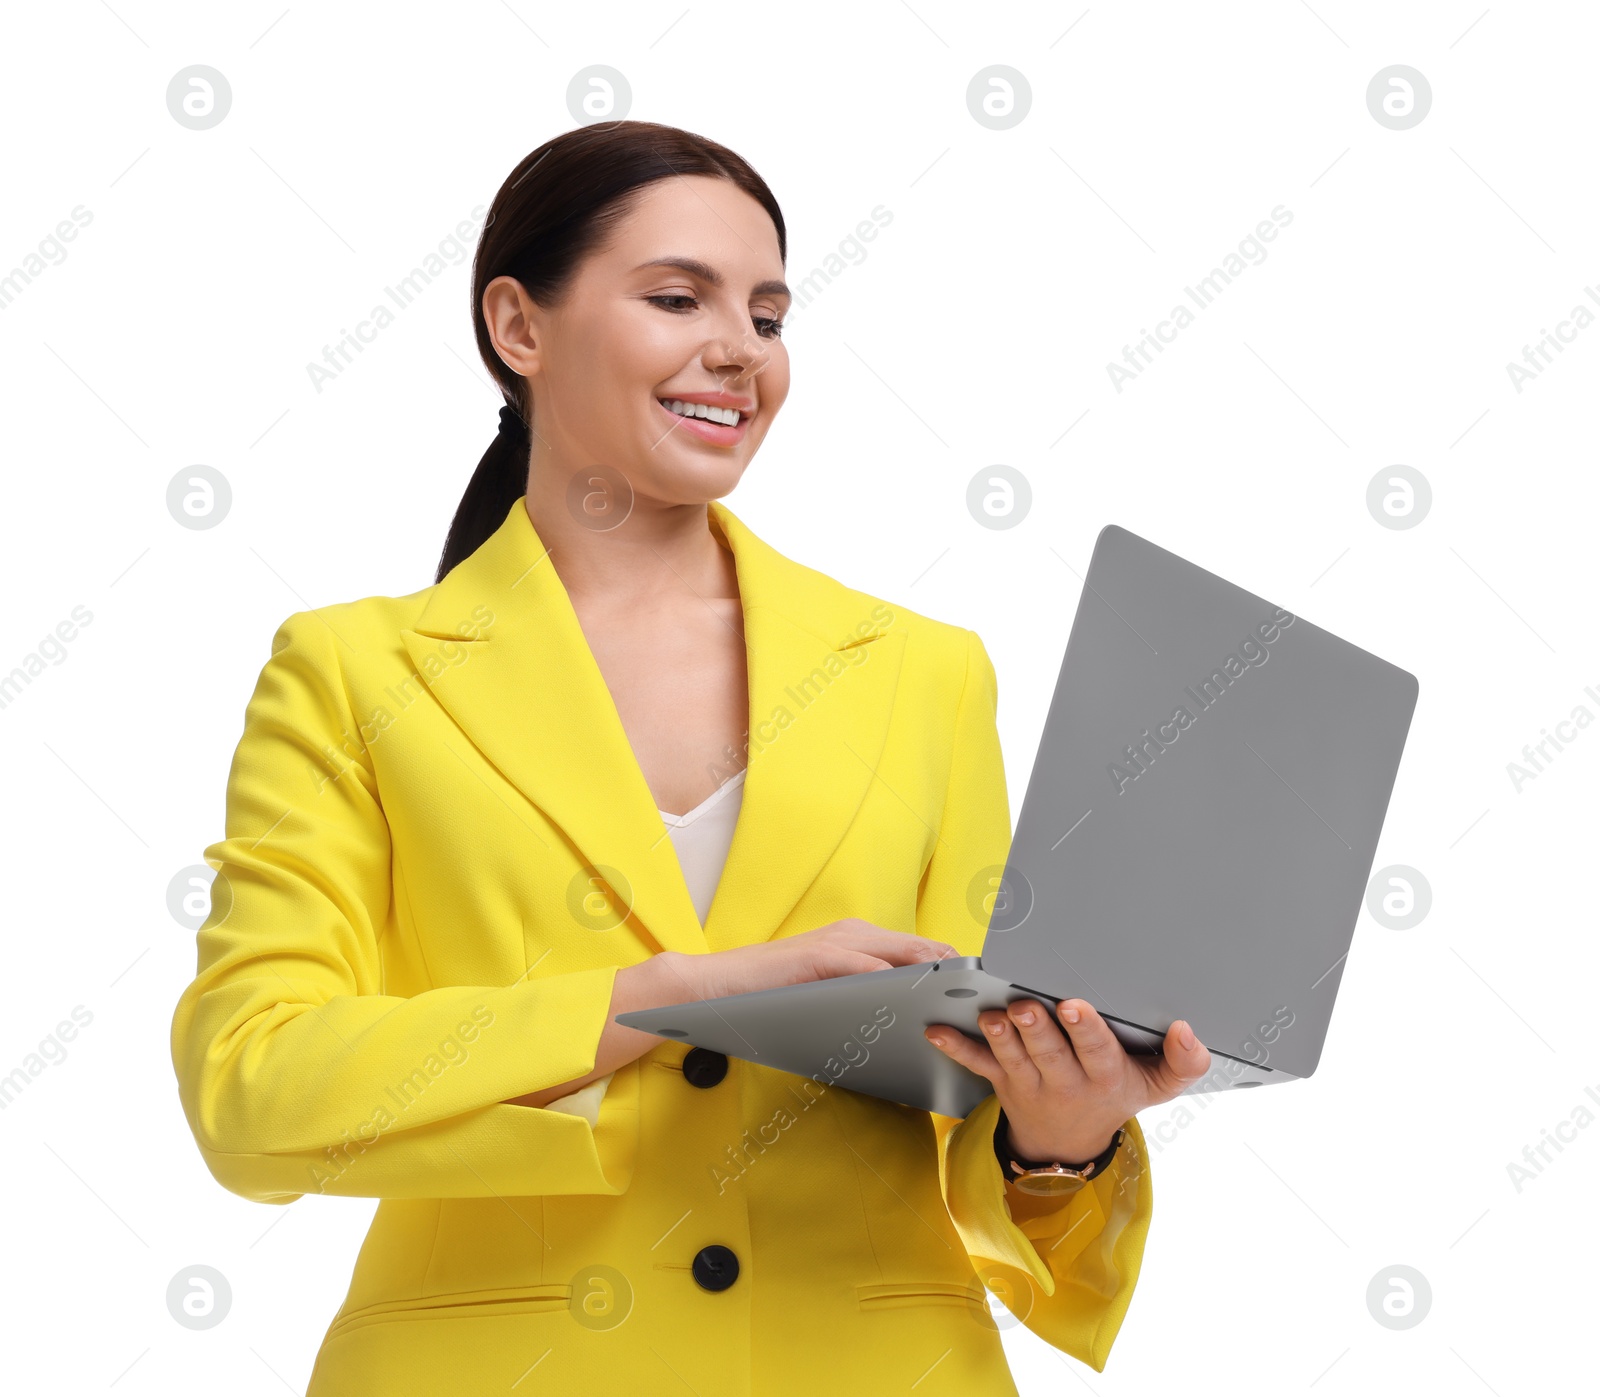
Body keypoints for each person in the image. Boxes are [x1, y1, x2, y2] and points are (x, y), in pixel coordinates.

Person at [169, 119, 1212, 1396]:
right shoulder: (354, 673)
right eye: (677, 296)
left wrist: (1059, 1141)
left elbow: (968, 1075)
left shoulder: (921, 671)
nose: (739, 349)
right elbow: (252, 1084)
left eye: (768, 315)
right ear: (520, 327)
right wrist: (674, 997)